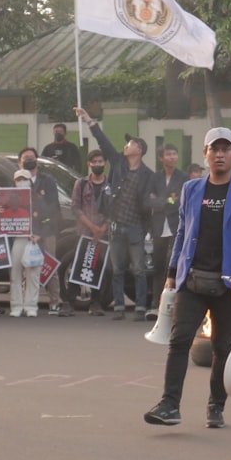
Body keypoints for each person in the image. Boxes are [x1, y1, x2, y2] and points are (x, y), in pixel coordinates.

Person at [142, 126, 231, 428]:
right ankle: (169, 405)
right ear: (205, 154)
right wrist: (173, 273)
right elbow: (183, 232)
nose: (220, 154)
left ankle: (216, 405)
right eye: (215, 149)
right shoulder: (192, 188)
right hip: (192, 279)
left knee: (222, 346)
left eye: (226, 149)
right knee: (179, 340)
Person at [75, 107, 154, 320]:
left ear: (138, 149)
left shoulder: (148, 175)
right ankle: (119, 307)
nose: (125, 146)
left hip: (136, 228)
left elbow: (150, 203)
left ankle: (140, 308)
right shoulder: (118, 163)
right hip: (116, 227)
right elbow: (103, 141)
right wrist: (88, 119)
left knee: (138, 270)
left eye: (130, 143)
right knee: (117, 269)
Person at [17, 146, 69, 316]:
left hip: (46, 232)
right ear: (20, 162)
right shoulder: (16, 181)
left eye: (32, 157)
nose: (29, 160)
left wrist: (43, 231)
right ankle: (27, 303)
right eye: (25, 157)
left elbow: (53, 208)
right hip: (25, 232)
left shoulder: (47, 181)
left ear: (37, 160)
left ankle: (55, 302)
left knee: (50, 266)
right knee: (26, 267)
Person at [146, 143, 187, 320]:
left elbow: (179, 201)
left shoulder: (183, 177)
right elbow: (148, 200)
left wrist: (161, 201)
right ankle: (156, 303)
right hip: (158, 227)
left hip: (176, 226)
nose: (172, 157)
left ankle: (177, 304)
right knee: (158, 266)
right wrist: (168, 200)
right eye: (168, 154)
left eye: (174, 154)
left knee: (176, 266)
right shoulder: (155, 178)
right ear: (161, 158)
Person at [70, 149, 112, 316]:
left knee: (100, 268)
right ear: (89, 164)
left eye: (100, 162)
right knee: (78, 265)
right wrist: (92, 227)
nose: (97, 165)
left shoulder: (110, 185)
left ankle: (96, 303)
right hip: (84, 232)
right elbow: (75, 208)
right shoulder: (80, 183)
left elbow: (113, 210)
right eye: (94, 162)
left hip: (103, 235)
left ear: (105, 164)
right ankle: (69, 302)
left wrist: (102, 228)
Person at [6, 168, 42, 317]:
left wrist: (40, 234)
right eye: (19, 179)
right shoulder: (6, 198)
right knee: (15, 273)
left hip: (33, 240)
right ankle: (16, 306)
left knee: (33, 274)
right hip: (17, 239)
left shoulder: (38, 199)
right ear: (14, 182)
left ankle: (31, 306)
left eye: (25, 179)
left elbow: (47, 219)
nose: (22, 182)